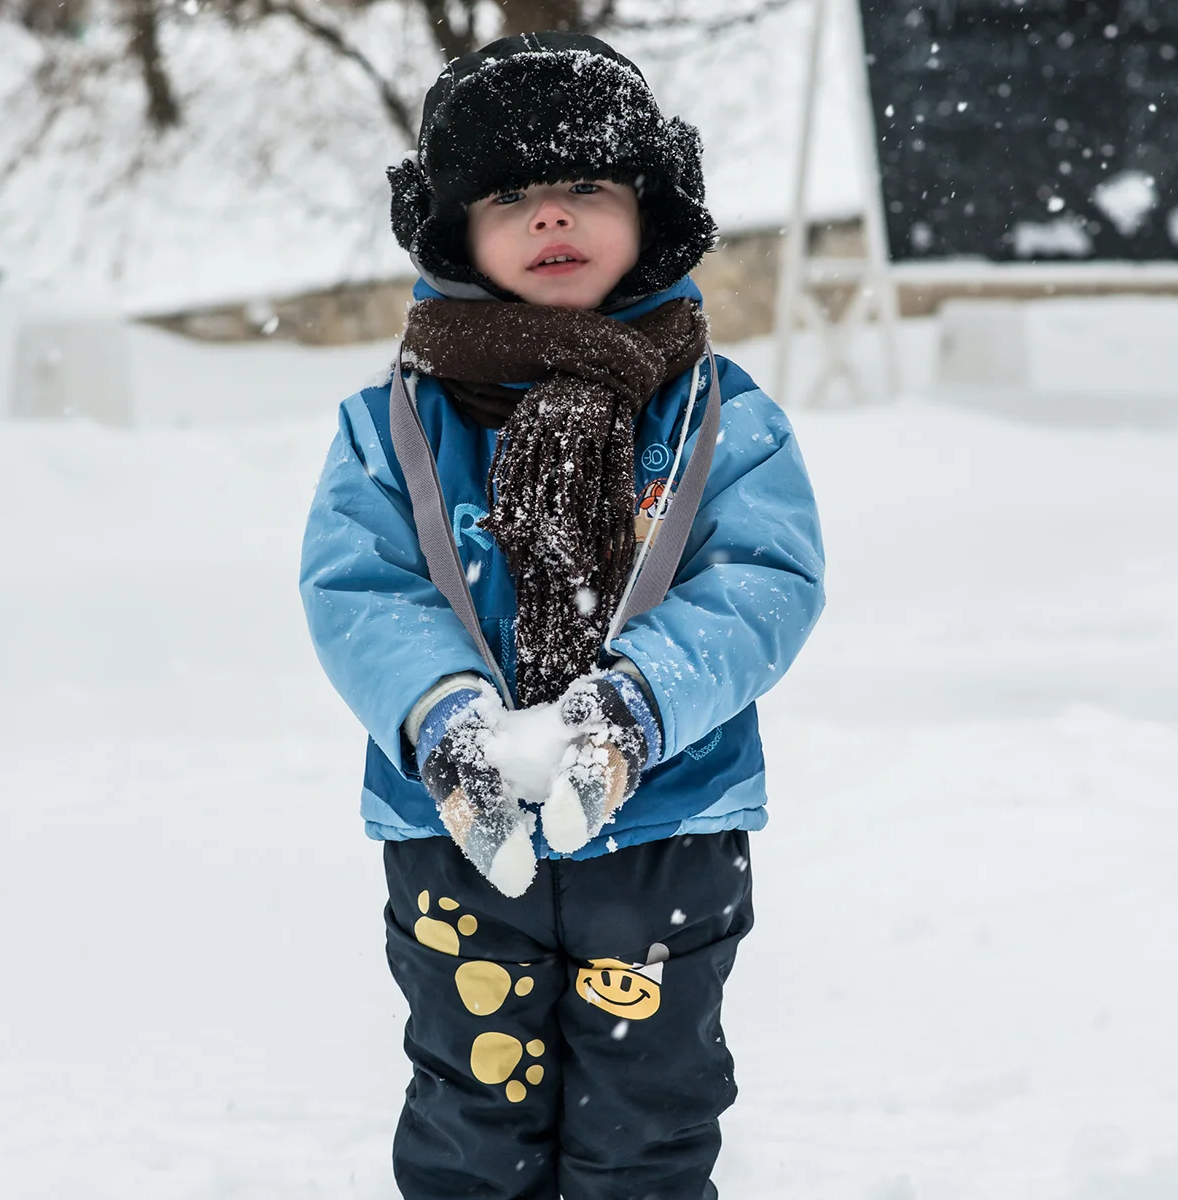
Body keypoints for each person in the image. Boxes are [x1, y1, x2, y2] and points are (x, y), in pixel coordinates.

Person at [300, 30, 825, 1200]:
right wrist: (445, 719)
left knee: (648, 1118)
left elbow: (763, 584)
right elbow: (361, 589)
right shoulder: (388, 427)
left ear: (650, 210)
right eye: (510, 195)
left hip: (665, 821)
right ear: (455, 231)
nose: (552, 219)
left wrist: (636, 702)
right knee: (470, 1111)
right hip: (455, 821)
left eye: (586, 185)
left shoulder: (718, 418)